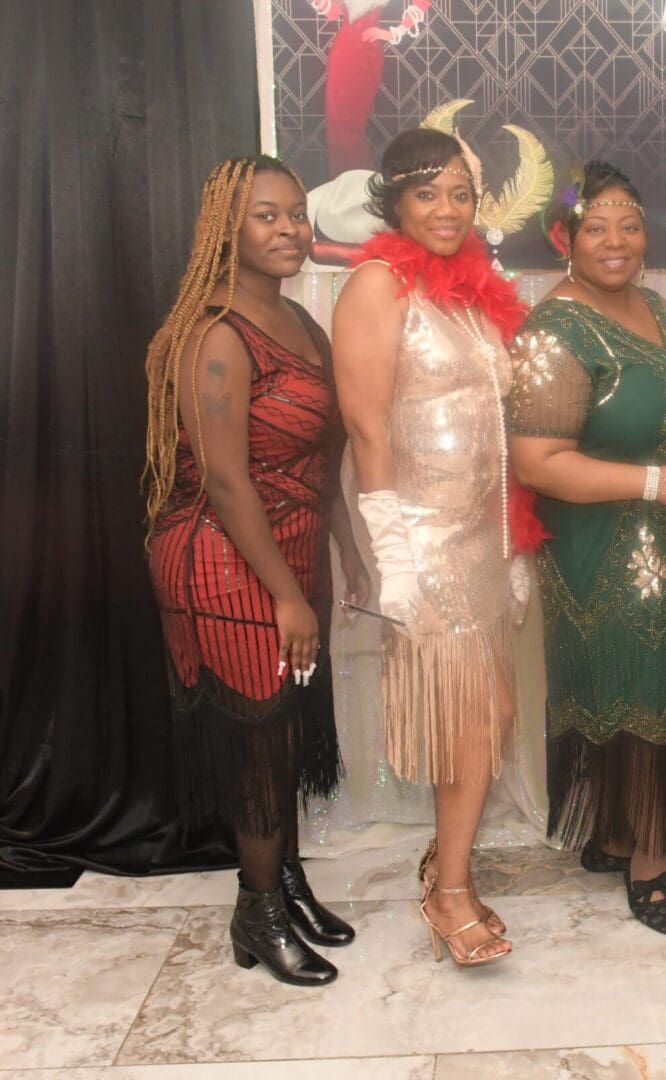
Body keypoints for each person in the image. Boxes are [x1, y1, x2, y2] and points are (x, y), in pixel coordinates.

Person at [144, 155, 368, 987]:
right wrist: (284, 593)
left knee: (289, 731)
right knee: (261, 739)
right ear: (226, 230)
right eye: (267, 216)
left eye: (298, 215)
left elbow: (321, 458)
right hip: (222, 556)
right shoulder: (214, 334)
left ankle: (285, 882)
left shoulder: (305, 326)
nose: (290, 231)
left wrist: (349, 551)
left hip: (292, 546)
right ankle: (258, 910)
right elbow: (228, 480)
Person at [331, 127, 527, 967]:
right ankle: (448, 890)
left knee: (494, 714)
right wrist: (395, 558)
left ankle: (448, 864)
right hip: (426, 541)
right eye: (426, 194)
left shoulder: (472, 294)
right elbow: (366, 429)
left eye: (459, 193)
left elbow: (499, 429)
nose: (446, 210)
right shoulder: (377, 287)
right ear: (395, 202)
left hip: (484, 539)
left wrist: (515, 540)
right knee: (466, 722)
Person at [510, 161, 666, 935]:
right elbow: (537, 462)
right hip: (606, 544)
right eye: (597, 225)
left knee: (654, 687)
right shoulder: (555, 328)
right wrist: (661, 484)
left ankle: (623, 832)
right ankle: (649, 866)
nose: (617, 240)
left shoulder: (652, 303)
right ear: (564, 237)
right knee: (634, 689)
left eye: (629, 224)